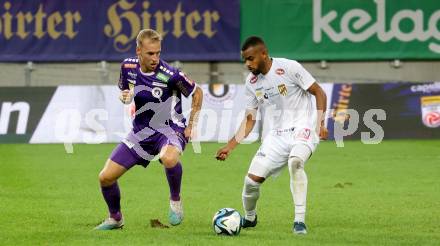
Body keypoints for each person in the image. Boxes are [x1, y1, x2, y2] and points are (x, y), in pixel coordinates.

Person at [216, 36, 328, 234]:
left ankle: (299, 222)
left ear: (264, 54)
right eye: (245, 60)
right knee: (251, 182)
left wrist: (320, 123)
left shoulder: (289, 67)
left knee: (295, 162)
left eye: (250, 59)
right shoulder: (251, 83)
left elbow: (319, 92)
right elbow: (250, 119)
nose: (247, 64)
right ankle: (250, 218)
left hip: (304, 129)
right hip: (276, 136)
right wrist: (230, 146)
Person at [95, 29, 203, 230]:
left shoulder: (171, 75)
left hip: (170, 128)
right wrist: (124, 96)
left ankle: (175, 202)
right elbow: (125, 89)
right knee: (105, 177)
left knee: (169, 159)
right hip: (141, 131)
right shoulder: (127, 67)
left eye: (158, 53)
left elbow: (198, 93)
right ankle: (116, 218)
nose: (155, 58)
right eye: (150, 54)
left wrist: (191, 125)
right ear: (138, 51)